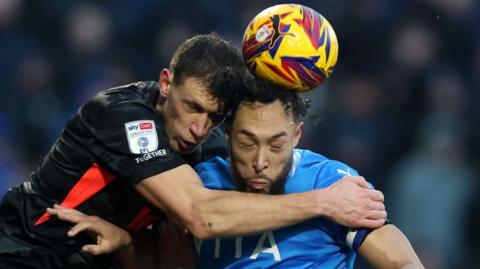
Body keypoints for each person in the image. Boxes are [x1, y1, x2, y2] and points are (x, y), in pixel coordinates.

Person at [0, 33, 386, 269]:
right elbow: (201, 216)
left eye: (214, 117)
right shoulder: (120, 115)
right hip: (27, 250)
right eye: (193, 107)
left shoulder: (210, 144)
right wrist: (324, 202)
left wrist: (126, 242)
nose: (200, 129)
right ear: (166, 83)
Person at [49, 79, 421, 269]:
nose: (260, 160)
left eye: (276, 145)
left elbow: (400, 261)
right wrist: (126, 244)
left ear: (297, 136)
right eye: (246, 142)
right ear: (225, 135)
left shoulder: (331, 180)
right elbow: (163, 259)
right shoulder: (198, 184)